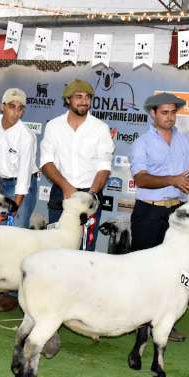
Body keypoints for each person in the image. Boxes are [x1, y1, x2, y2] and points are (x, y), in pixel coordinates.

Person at [128, 92, 189, 343]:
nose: (170, 117)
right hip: (148, 211)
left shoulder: (185, 143)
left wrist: (187, 182)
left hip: (176, 213)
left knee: (173, 272)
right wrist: (172, 179)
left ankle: (166, 321)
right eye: (164, 112)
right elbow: (141, 178)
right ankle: (140, 322)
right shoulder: (142, 143)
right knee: (145, 270)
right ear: (153, 114)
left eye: (173, 112)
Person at [0, 88, 38, 312]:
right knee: (0, 239)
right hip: (2, 183)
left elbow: (24, 178)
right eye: (11, 107)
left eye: (20, 108)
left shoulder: (26, 137)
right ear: (2, 106)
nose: (15, 113)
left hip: (21, 187)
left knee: (17, 241)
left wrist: (14, 207)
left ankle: (15, 294)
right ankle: (4, 288)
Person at [39, 79, 114, 251]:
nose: (84, 101)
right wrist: (65, 187)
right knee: (56, 248)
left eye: (87, 97)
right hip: (61, 193)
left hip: (90, 193)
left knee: (85, 249)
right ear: (68, 100)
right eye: (78, 97)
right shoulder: (54, 126)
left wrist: (91, 195)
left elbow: (104, 166)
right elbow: (46, 161)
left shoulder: (100, 128)